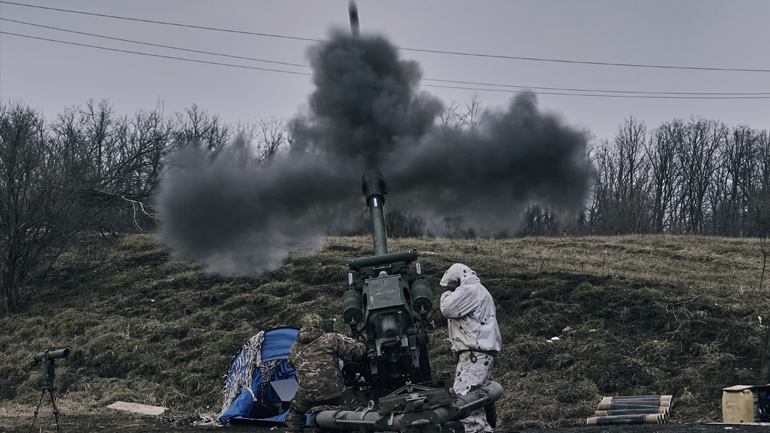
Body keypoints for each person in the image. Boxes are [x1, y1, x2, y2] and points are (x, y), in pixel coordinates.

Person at [440, 263, 502, 433]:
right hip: (480, 353)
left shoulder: (469, 290)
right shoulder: (479, 290)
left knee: (464, 404)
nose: (451, 289)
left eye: (451, 285)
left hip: (474, 353)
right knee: (475, 403)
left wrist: (446, 293)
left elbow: (447, 308)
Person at [284, 313, 368, 433]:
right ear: (320, 325)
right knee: (358, 409)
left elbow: (291, 363)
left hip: (307, 394)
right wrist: (362, 345)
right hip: (335, 391)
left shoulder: (294, 347)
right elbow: (353, 354)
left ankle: (292, 431)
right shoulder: (332, 338)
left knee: (295, 412)